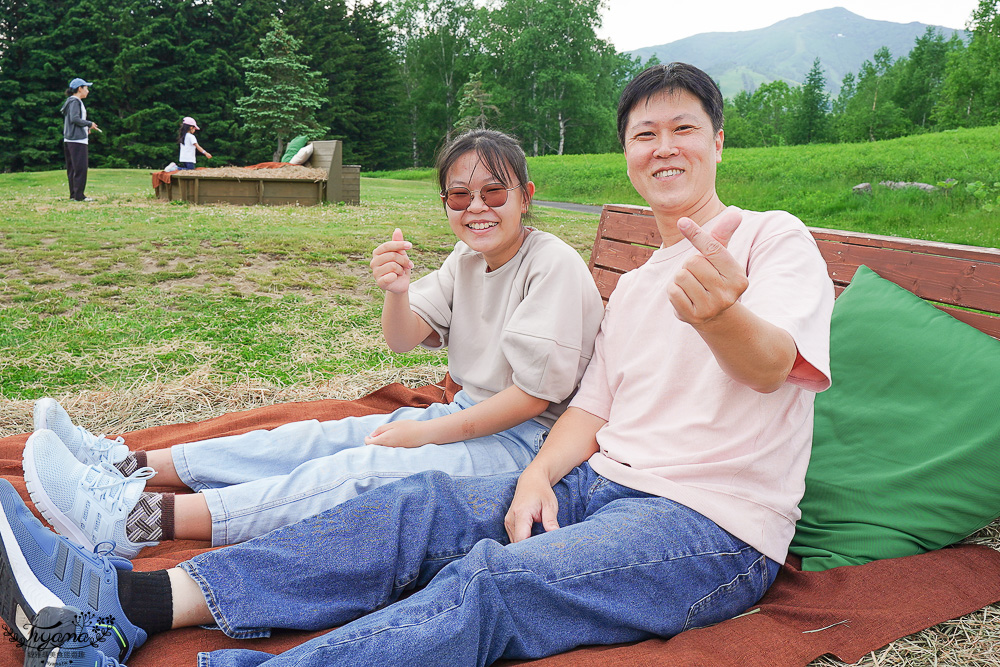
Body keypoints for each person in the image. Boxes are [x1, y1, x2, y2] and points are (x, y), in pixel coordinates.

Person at [2, 63, 834, 667]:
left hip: (709, 527)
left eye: (683, 128)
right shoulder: (642, 283)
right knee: (409, 508)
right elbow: (590, 411)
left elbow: (769, 367)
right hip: (595, 482)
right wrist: (543, 476)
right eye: (644, 133)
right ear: (625, 152)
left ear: (719, 141)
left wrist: (723, 316)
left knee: (493, 584)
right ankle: (128, 601)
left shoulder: (770, 237)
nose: (663, 147)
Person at [20, 128, 604, 560]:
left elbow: (531, 398)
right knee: (312, 438)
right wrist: (396, 291)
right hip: (463, 415)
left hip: (525, 444)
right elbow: (402, 341)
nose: (477, 208)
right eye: (458, 196)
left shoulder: (549, 263)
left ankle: (131, 518)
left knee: (360, 467)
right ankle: (124, 462)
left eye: (494, 192)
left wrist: (422, 431)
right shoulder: (468, 257)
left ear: (525, 195)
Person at [60, 77, 99, 202]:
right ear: (79, 89)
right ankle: (79, 196)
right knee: (80, 168)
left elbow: (74, 121)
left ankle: (74, 195)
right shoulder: (75, 101)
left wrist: (85, 128)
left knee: (72, 168)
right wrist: (89, 123)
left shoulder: (71, 101)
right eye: (86, 88)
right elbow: (75, 119)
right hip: (77, 141)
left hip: (70, 139)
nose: (87, 91)